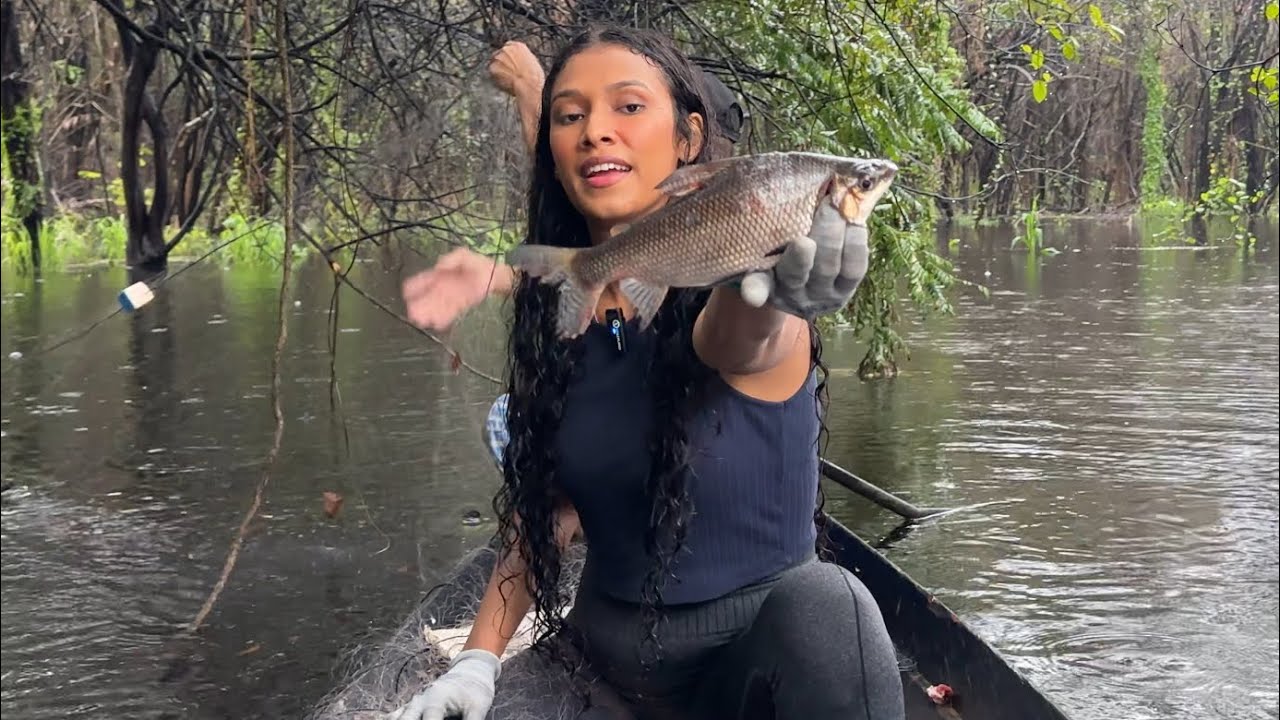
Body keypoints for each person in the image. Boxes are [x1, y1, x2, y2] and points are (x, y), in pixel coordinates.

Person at [394, 25, 904, 720]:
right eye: (571, 117)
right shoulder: (561, 315)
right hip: (598, 670)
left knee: (832, 605)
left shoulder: (740, 292)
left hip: (751, 671)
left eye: (629, 108)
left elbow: (740, 341)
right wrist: (479, 661)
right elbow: (551, 510)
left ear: (689, 139)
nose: (596, 132)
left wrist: (773, 298)